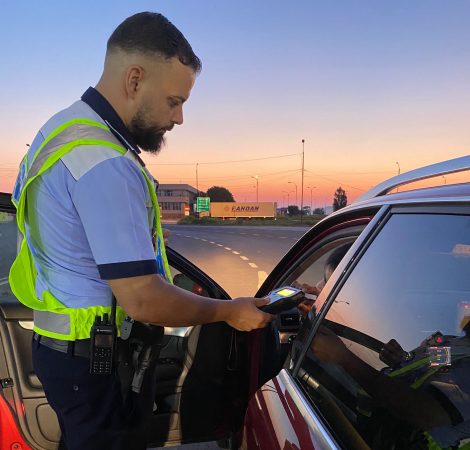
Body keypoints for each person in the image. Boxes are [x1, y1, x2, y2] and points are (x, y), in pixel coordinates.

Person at [9, 12, 272, 450]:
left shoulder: (60, 131)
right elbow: (144, 299)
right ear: (134, 80)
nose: (179, 117)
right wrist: (228, 311)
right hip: (97, 362)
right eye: (174, 101)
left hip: (60, 348)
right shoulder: (105, 162)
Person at [311, 314, 470, 448]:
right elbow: (426, 366)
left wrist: (342, 357)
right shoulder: (457, 344)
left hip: (391, 440)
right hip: (367, 419)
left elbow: (425, 414)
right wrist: (401, 360)